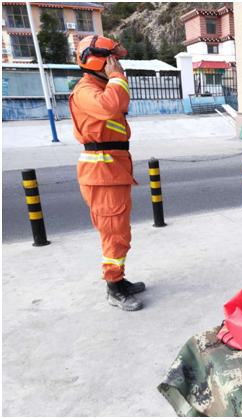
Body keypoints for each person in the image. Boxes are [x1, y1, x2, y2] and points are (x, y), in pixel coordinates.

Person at [70, 36, 144, 310]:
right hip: (102, 173)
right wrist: (116, 77)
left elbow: (119, 103)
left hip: (112, 169)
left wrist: (114, 79)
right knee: (114, 232)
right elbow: (111, 106)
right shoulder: (86, 90)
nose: (118, 66)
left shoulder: (102, 87)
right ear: (97, 61)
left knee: (119, 230)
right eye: (113, 60)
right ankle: (114, 288)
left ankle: (119, 280)